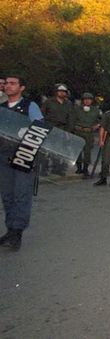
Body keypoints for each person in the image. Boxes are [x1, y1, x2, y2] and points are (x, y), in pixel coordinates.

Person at [0, 74, 44, 251]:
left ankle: (17, 232)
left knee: (21, 195)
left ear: (22, 87)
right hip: (3, 156)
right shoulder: (2, 107)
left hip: (22, 156)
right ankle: (10, 229)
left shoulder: (29, 106)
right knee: (7, 195)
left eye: (13, 83)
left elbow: (39, 128)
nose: (8, 86)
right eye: (6, 83)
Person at [72, 92, 101, 177]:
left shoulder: (95, 110)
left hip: (89, 132)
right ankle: (79, 168)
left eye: (89, 99)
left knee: (87, 152)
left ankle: (85, 168)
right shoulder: (77, 109)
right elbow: (72, 119)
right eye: (85, 99)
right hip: (78, 131)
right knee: (77, 151)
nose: (87, 101)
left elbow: (102, 120)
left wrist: (97, 125)